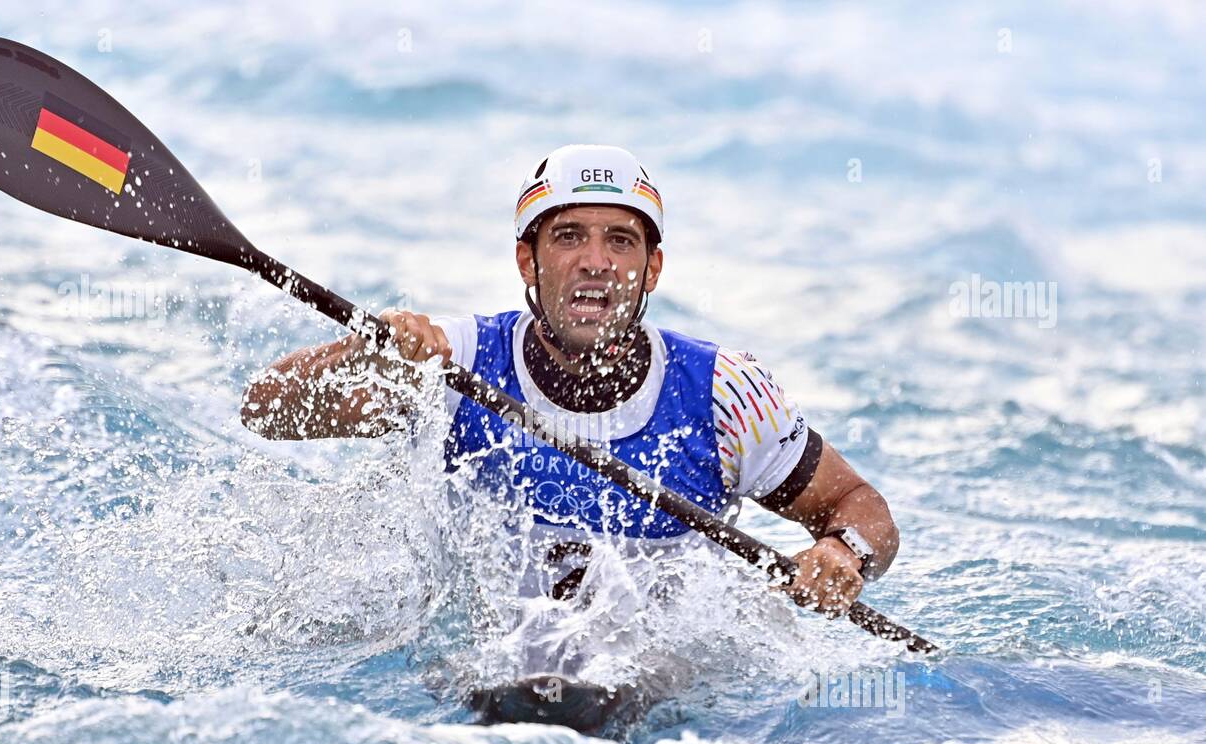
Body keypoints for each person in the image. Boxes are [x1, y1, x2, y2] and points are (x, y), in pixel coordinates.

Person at [241, 144, 899, 631]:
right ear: (528, 260)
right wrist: (367, 356)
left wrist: (844, 552)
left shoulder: (724, 394)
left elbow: (857, 503)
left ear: (652, 269)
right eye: (568, 237)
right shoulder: (449, 361)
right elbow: (266, 411)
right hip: (481, 663)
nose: (596, 261)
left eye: (621, 240)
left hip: (661, 686)